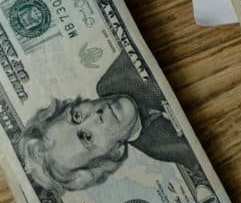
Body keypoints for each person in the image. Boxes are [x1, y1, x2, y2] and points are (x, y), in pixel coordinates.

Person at [17, 56, 196, 195]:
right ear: (114, 153)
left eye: (76, 115)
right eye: (87, 137)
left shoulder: (116, 78)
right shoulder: (164, 148)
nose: (95, 116)